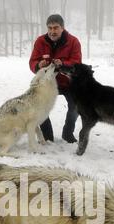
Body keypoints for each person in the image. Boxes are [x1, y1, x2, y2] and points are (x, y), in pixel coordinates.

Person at [29, 14, 82, 144]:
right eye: (50, 28)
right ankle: (47, 135)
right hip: (46, 84)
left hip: (68, 83)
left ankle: (68, 132)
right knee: (39, 106)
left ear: (62, 28)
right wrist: (38, 65)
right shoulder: (40, 41)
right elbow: (32, 61)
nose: (52, 31)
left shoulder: (73, 41)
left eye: (56, 28)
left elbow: (77, 63)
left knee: (76, 107)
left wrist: (63, 65)